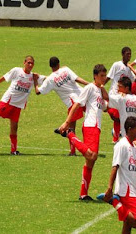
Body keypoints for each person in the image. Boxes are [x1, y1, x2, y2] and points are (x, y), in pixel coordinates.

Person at [57, 64, 108, 201]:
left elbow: (105, 108)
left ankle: (83, 194)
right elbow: (77, 104)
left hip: (97, 127)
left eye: (105, 76)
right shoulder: (90, 88)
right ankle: (70, 134)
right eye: (101, 76)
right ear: (95, 76)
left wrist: (105, 94)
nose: (104, 78)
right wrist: (67, 122)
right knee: (92, 156)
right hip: (90, 125)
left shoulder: (99, 90)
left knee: (90, 163)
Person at [97, 117, 136, 233]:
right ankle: (113, 201)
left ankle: (114, 201)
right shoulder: (121, 145)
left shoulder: (135, 147)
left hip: (133, 190)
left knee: (127, 225)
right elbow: (115, 166)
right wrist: (110, 187)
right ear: (129, 129)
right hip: (126, 190)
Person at [34, 56, 89, 156]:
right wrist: (89, 84)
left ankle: (71, 148)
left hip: (73, 103)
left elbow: (38, 92)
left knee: (71, 129)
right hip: (83, 97)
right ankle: (88, 145)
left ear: (50, 66)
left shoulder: (50, 79)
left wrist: (35, 82)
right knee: (90, 121)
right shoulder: (66, 69)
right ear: (59, 64)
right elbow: (77, 79)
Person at [0, 55, 44, 155]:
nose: (30, 65)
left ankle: (13, 150)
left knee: (14, 128)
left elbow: (48, 80)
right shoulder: (16, 71)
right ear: (24, 63)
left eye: (32, 63)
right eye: (28, 62)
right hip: (7, 102)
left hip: (18, 106)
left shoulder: (33, 76)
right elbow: (3, 78)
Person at [106, 47, 136, 143]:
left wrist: (131, 68)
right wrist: (99, 86)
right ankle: (117, 135)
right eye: (127, 54)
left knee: (118, 117)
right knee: (115, 117)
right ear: (122, 54)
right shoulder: (117, 65)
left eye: (130, 54)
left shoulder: (128, 69)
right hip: (114, 95)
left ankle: (116, 138)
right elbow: (108, 77)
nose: (129, 56)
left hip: (122, 98)